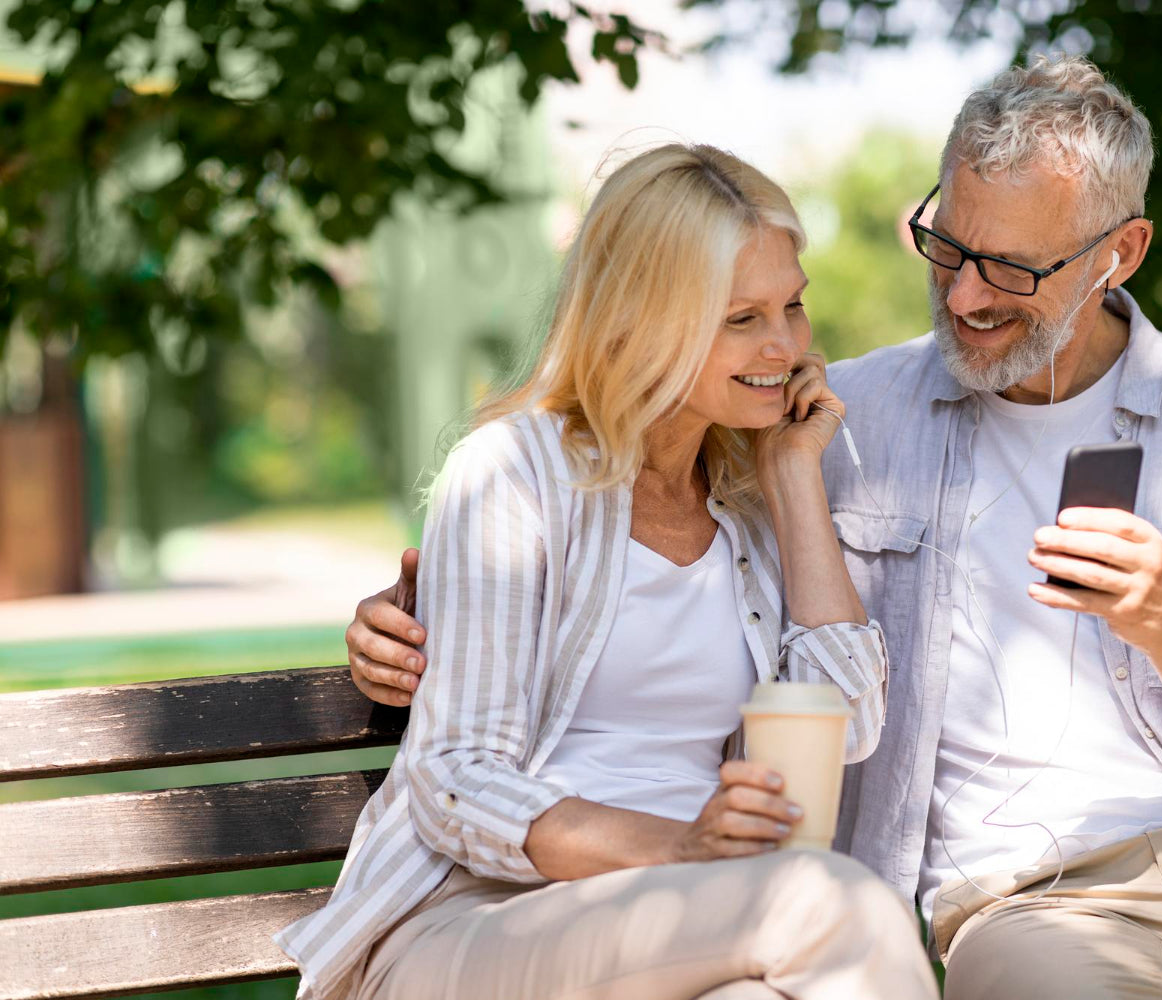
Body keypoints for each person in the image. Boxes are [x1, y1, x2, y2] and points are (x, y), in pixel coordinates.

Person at [349, 60, 1162, 998]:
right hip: (994, 896)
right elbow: (465, 753)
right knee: (832, 913)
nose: (960, 297)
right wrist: (401, 625)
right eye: (945, 247)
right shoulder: (794, 427)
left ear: (1120, 255)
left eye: (1009, 266)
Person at [278, 143, 939, 1000]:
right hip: (476, 919)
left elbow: (843, 724)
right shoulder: (513, 476)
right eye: (743, 318)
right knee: (835, 904)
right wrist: (677, 848)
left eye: (793, 306)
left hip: (686, 919)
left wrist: (792, 478)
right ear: (644, 318)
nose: (784, 343)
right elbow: (455, 781)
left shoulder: (746, 502)